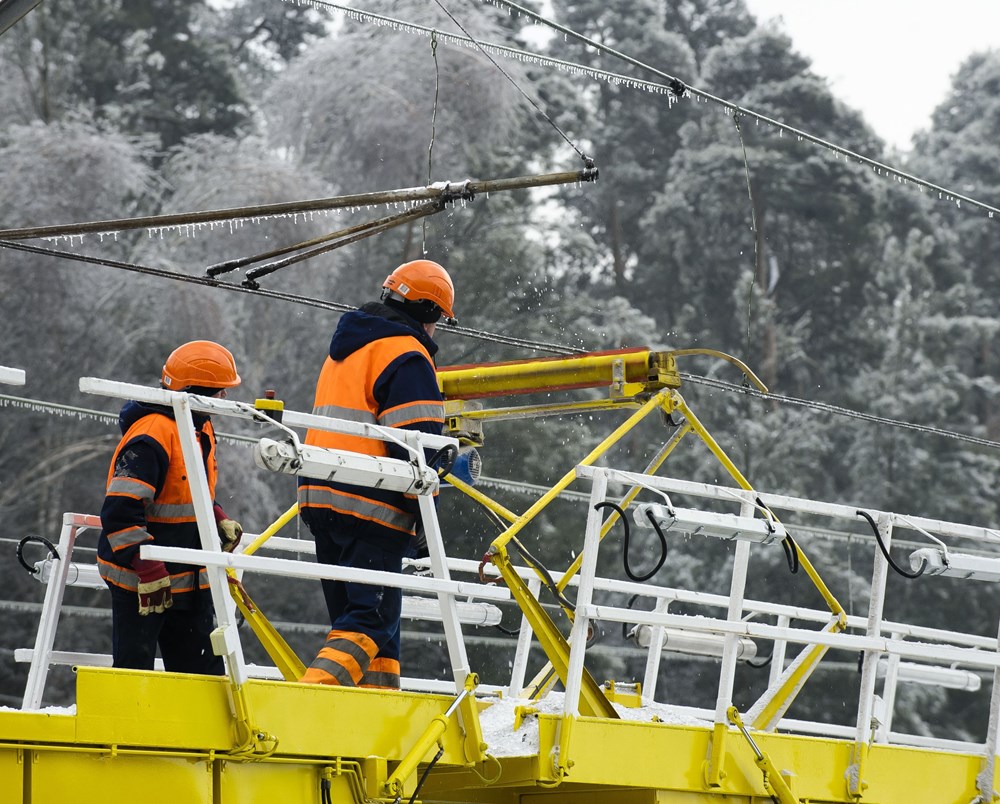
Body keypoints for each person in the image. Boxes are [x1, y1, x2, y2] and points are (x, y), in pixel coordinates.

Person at [297, 258, 456, 689]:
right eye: (440, 319)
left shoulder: (347, 350)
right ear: (429, 312)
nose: (437, 329)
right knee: (371, 620)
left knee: (361, 626)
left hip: (320, 496)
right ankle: (310, 696)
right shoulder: (408, 355)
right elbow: (416, 448)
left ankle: (374, 712)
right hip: (369, 501)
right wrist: (426, 516)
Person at [97, 340, 244, 673]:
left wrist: (216, 516)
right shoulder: (151, 436)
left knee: (201, 676)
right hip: (141, 581)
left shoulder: (198, 426)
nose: (224, 397)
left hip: (188, 578)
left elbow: (188, 490)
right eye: (219, 390)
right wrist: (147, 568)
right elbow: (120, 510)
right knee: (135, 671)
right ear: (195, 391)